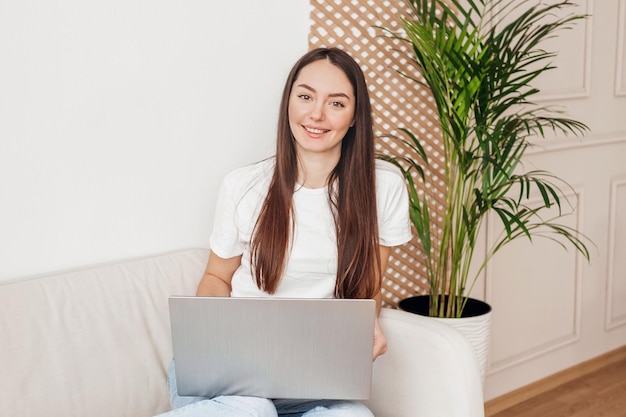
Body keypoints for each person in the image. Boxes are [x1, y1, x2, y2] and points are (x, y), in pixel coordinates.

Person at [157, 47, 412, 417]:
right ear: (288, 102)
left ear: (356, 116)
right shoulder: (244, 186)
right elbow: (216, 276)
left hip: (313, 379)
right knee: (254, 410)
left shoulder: (383, 186)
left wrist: (368, 324)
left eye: (336, 103)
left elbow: (367, 287)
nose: (316, 114)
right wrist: (206, 345)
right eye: (305, 96)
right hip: (232, 375)